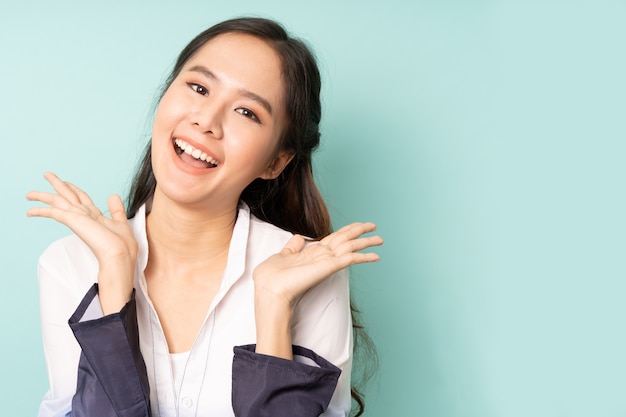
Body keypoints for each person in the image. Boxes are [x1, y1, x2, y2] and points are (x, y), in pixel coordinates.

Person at [27, 17, 383, 417]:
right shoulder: (70, 265)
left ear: (276, 161)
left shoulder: (309, 274)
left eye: (247, 112)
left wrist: (274, 307)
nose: (205, 121)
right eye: (198, 88)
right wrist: (113, 285)